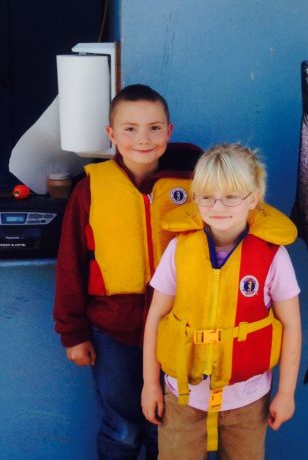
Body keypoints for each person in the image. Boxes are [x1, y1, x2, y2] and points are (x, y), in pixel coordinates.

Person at [54, 84, 203, 460]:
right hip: (114, 332)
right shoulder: (90, 190)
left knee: (167, 427)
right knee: (122, 428)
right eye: (130, 128)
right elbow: (70, 265)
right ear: (111, 135)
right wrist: (73, 333)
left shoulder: (196, 183)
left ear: (169, 131)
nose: (143, 139)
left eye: (154, 128)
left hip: (177, 328)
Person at [141, 143, 302, 460]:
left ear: (253, 198)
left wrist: (286, 393)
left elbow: (292, 326)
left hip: (247, 400)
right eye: (207, 197)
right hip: (183, 397)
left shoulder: (273, 256)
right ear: (196, 198)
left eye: (231, 196)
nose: (218, 206)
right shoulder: (179, 249)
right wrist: (150, 384)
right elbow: (156, 316)